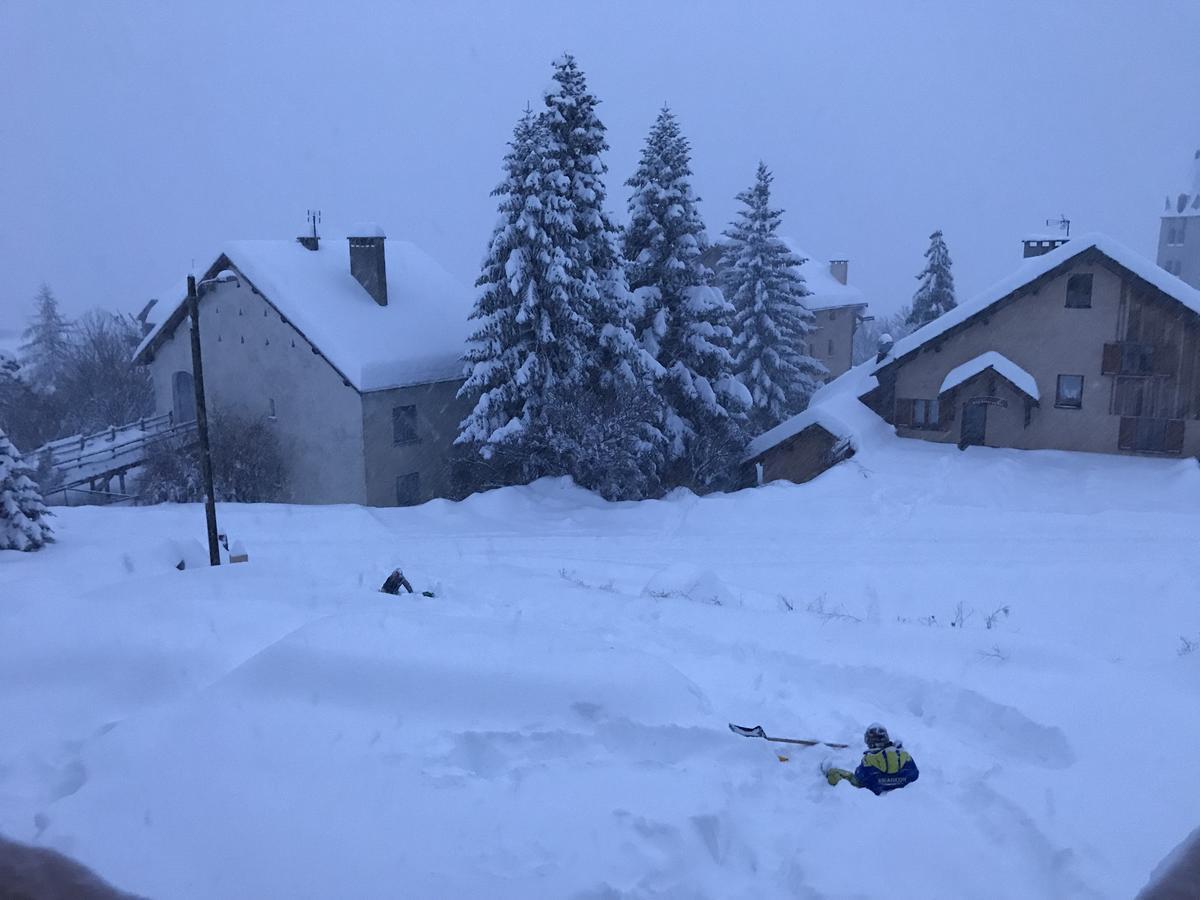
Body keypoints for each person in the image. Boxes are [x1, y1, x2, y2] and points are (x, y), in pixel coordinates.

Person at [824, 723, 919, 795]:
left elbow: (860, 776)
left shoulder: (869, 760)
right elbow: (914, 775)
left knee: (834, 773)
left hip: (873, 793)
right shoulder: (904, 756)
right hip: (903, 796)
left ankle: (827, 770)